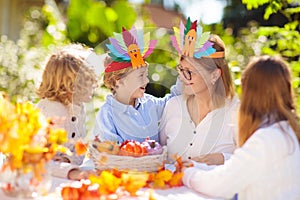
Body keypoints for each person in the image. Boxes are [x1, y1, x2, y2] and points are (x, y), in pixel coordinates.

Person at [182, 55, 300, 199]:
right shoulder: (288, 131)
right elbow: (237, 170)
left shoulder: (266, 139)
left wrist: (185, 173)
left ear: (251, 92)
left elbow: (221, 185)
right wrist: (195, 166)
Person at [160, 18, 238, 165]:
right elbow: (159, 152)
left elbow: (251, 162)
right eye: (181, 70)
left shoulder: (236, 111)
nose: (182, 77)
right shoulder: (172, 107)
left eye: (190, 72)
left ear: (214, 75)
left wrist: (222, 158)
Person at [93, 26, 181, 144]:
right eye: (140, 76)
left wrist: (183, 73)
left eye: (146, 75)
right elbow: (111, 150)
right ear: (118, 80)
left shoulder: (149, 103)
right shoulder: (107, 114)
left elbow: (173, 101)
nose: (146, 81)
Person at [36, 44, 98, 180]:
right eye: (89, 80)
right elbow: (35, 158)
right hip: (39, 179)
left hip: (60, 177)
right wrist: (71, 172)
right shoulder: (51, 112)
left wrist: (68, 161)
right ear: (70, 85)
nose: (95, 84)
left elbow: (78, 151)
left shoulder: (78, 107)